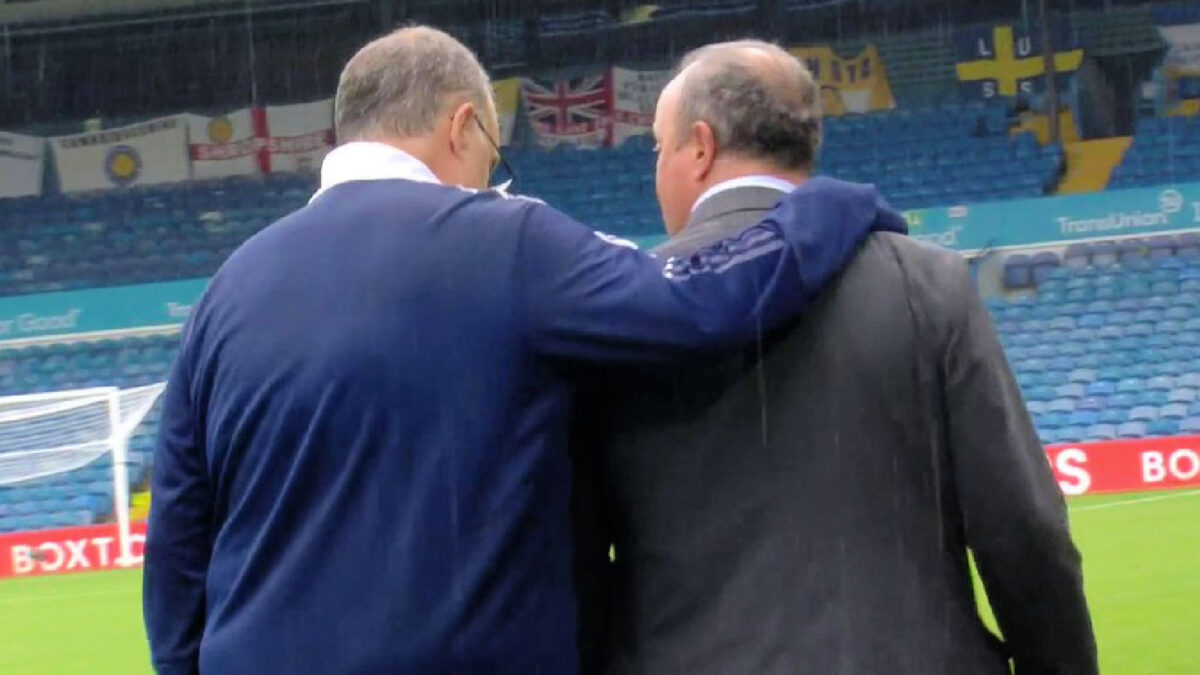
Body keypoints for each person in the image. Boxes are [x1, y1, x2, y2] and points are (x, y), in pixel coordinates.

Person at [142, 27, 904, 674]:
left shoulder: (226, 291)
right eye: (493, 155)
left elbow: (178, 542)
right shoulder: (507, 242)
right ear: (463, 126)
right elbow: (705, 305)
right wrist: (829, 206)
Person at [573, 40, 1098, 674]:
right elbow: (1024, 530)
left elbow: (573, 556)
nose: (655, 168)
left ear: (702, 148)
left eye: (659, 148)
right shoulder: (927, 284)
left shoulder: (617, 308)